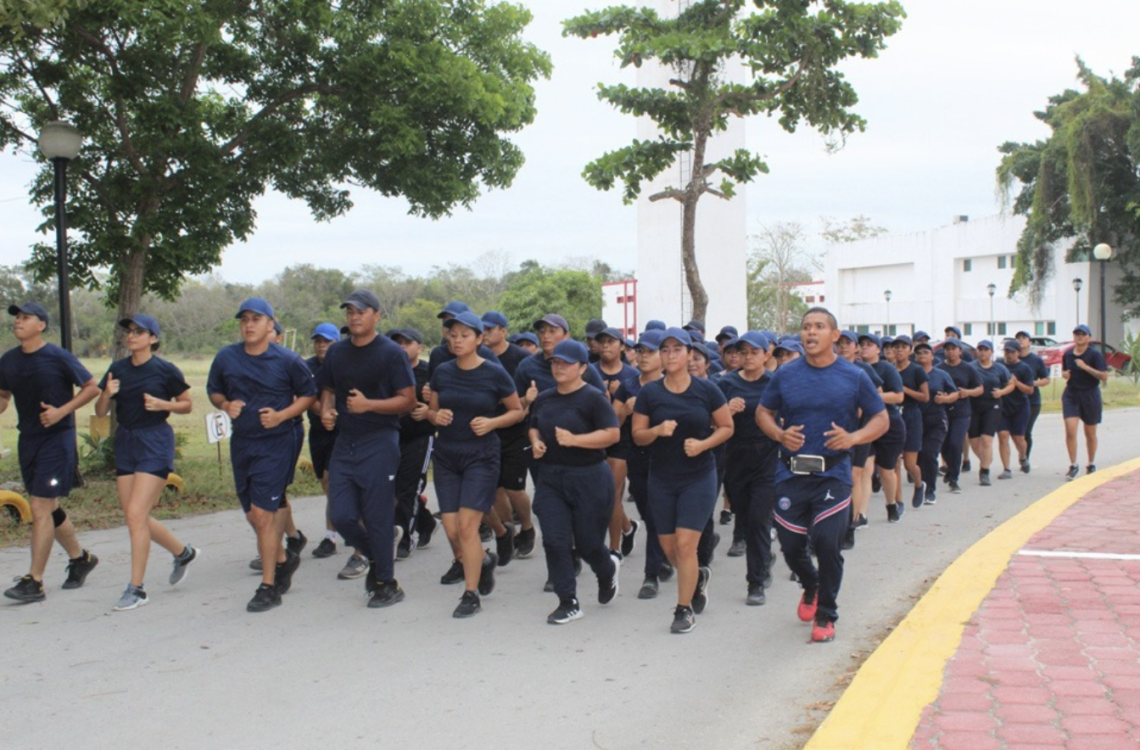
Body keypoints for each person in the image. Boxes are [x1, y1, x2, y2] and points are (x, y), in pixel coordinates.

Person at [758, 307, 888, 643]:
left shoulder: (854, 376)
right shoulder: (786, 375)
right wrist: (778, 435)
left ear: (834, 335)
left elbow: (880, 419)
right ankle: (811, 583)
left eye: (818, 327)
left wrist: (854, 438)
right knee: (790, 545)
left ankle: (827, 613)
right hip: (791, 473)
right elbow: (763, 412)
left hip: (833, 473)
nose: (810, 333)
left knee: (827, 543)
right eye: (805, 327)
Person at [207, 298, 316, 612]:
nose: (249, 324)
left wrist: (282, 415)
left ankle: (268, 587)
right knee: (253, 515)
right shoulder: (226, 357)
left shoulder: (287, 359)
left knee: (264, 515)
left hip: (277, 443)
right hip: (243, 442)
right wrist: (225, 405)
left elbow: (309, 395)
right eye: (244, 319)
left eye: (256, 318)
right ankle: (282, 559)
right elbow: (214, 390)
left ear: (271, 324)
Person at [318, 291, 417, 608]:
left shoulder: (391, 353)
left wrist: (368, 405)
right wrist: (326, 410)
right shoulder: (337, 353)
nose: (354, 316)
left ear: (376, 315)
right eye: (349, 311)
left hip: (380, 441)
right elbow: (328, 388)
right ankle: (378, 554)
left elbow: (408, 400)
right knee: (341, 515)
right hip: (345, 441)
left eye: (361, 311)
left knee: (376, 516)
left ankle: (386, 583)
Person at [632, 327, 733, 634]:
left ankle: (683, 608)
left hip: (698, 477)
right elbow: (637, 436)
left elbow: (726, 427)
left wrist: (702, 445)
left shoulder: (707, 389)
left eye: (678, 349)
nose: (671, 355)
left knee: (686, 545)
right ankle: (697, 579)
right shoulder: (650, 393)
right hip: (661, 478)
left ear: (691, 355)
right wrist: (657, 431)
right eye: (665, 350)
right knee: (669, 548)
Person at [96, 314, 198, 610]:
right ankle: (183, 553)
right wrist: (106, 393)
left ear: (152, 338)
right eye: (129, 331)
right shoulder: (117, 369)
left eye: (139, 332)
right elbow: (101, 412)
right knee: (133, 515)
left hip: (155, 441)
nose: (131, 336)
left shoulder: (165, 370)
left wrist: (164, 404)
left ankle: (136, 588)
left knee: (136, 515)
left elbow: (187, 404)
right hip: (126, 441)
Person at [1, 302, 101, 603]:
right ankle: (80, 558)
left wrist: (62, 412)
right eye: (16, 318)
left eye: (25, 317)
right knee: (49, 506)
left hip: (58, 439)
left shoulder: (57, 356)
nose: (18, 322)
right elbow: (3, 396)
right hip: (28, 439)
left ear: (41, 324)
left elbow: (92, 387)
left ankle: (35, 581)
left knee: (40, 506)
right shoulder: (8, 360)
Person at [427, 311, 524, 617]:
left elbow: (517, 411)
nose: (457, 340)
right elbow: (431, 411)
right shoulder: (442, 371)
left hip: (481, 456)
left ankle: (470, 595)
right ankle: (482, 560)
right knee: (453, 529)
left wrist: (493, 422)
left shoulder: (494, 372)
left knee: (468, 527)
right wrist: (435, 416)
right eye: (452, 335)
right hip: (446, 456)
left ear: (479, 339)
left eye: (465, 335)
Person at [529, 339, 621, 623]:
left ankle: (607, 572)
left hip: (589, 477)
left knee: (588, 544)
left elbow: (612, 434)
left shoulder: (593, 398)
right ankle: (567, 601)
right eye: (555, 362)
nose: (559, 368)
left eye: (566, 363)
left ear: (582, 368)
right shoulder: (544, 398)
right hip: (551, 478)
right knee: (555, 541)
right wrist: (535, 442)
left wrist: (575, 440)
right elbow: (533, 425)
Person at [717, 331, 779, 605]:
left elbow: (789, 415)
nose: (749, 357)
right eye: (744, 352)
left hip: (766, 457)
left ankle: (756, 583)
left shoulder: (775, 382)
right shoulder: (726, 383)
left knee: (758, 519)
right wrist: (726, 411)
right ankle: (764, 555)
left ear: (766, 354)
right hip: (735, 458)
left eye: (755, 352)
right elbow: (711, 422)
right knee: (746, 517)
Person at [614, 330, 672, 600]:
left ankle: (651, 574)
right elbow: (611, 420)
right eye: (640, 351)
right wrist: (625, 411)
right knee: (649, 514)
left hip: (666, 457)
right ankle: (663, 554)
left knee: (658, 513)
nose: (644, 356)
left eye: (650, 351)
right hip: (635, 454)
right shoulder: (628, 384)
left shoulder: (673, 384)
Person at [479, 310, 536, 562]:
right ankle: (507, 530)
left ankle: (526, 526)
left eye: (490, 329)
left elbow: (530, 396)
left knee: (514, 487)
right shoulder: (478, 356)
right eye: (482, 329)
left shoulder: (521, 358)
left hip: (516, 431)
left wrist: (522, 407)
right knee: (494, 486)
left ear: (504, 331)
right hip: (488, 429)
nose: (485, 334)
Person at [388, 328, 438, 560]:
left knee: (407, 490)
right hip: (390, 437)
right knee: (392, 488)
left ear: (419, 346)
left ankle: (405, 539)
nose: (401, 346)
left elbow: (445, 403)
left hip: (420, 437)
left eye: (407, 342)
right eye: (397, 342)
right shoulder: (387, 370)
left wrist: (429, 410)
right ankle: (426, 522)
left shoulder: (430, 373)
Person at [593, 327, 640, 559]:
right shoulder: (589, 372)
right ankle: (628, 527)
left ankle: (614, 547)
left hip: (623, 440)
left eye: (611, 341)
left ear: (622, 346)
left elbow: (622, 418)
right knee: (600, 495)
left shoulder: (632, 376)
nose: (606, 345)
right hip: (592, 437)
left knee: (612, 493)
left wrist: (621, 404)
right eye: (602, 341)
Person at [305, 323, 346, 561]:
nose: (322, 345)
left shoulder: (345, 363)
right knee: (325, 482)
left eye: (327, 341)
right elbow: (306, 395)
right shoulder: (307, 366)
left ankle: (330, 536)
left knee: (334, 481)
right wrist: (324, 412)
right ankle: (349, 520)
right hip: (319, 430)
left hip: (342, 431)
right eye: (318, 341)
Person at [837, 330, 883, 543]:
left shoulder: (863, 370)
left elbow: (877, 397)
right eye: (840, 343)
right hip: (837, 429)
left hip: (861, 430)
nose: (844, 346)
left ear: (856, 347)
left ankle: (850, 527)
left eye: (848, 343)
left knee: (854, 476)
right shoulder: (830, 367)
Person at [858, 334, 906, 522]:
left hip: (889, 424)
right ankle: (861, 514)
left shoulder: (887, 369)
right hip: (865, 425)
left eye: (869, 345)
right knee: (865, 470)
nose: (865, 348)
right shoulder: (855, 368)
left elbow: (898, 396)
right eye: (862, 344)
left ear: (878, 349)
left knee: (886, 470)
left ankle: (891, 504)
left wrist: (870, 397)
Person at [1062, 324, 1108, 479]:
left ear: (1088, 337)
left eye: (1082, 334)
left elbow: (1103, 376)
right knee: (1070, 429)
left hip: (1090, 394)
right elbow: (1065, 371)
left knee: (1090, 432)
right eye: (1076, 334)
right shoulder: (1067, 354)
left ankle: (1091, 463)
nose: (1079, 337)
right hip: (1071, 393)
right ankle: (1073, 465)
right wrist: (1065, 374)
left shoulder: (1094, 355)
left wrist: (1085, 367)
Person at [936, 339, 982, 494]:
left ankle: (954, 478)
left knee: (956, 443)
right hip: (942, 411)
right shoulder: (939, 369)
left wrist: (967, 392)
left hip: (961, 411)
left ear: (960, 351)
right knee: (945, 444)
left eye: (953, 349)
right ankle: (949, 468)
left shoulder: (968, 369)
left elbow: (980, 389)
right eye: (947, 349)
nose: (950, 352)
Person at [914, 341, 957, 505]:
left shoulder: (941, 374)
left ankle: (930, 490)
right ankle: (920, 485)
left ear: (932, 356)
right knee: (917, 457)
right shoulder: (911, 373)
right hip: (916, 419)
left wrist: (944, 399)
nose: (922, 355)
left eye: (925, 352)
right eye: (918, 353)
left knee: (929, 454)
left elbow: (954, 394)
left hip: (936, 419)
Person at [967, 340, 1013, 487]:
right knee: (974, 442)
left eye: (985, 349)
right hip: (974, 404)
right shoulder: (971, 367)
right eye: (980, 349)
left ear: (991, 352)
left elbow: (1010, 384)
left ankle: (984, 471)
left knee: (986, 440)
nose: (982, 352)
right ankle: (986, 459)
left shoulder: (999, 368)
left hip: (992, 405)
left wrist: (1002, 392)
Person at [892, 336, 930, 509]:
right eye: (896, 347)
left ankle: (919, 484)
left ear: (910, 351)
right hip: (893, 415)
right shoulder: (889, 369)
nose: (899, 350)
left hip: (911, 415)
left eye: (903, 347)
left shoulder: (916, 370)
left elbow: (925, 397)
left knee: (909, 464)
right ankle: (898, 501)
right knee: (894, 463)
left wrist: (905, 390)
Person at [995, 341, 1034, 480]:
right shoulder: (998, 365)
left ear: (1018, 352)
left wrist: (1016, 383)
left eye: (1012, 352)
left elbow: (1030, 390)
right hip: (1002, 407)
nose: (1009, 355)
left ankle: (1023, 457)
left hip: (1020, 407)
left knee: (1019, 439)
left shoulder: (1024, 368)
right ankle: (1006, 468)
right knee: (1003, 435)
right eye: (1007, 351)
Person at [1014, 330, 1050, 469]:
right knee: (1015, 433)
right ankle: (1022, 455)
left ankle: (1025, 459)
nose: (1020, 341)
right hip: (1014, 400)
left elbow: (1046, 380)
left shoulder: (1036, 360)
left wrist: (1031, 383)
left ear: (1029, 342)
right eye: (1018, 338)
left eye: (1023, 338)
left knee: (1025, 431)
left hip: (1032, 401)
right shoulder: (1012, 358)